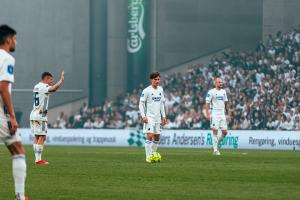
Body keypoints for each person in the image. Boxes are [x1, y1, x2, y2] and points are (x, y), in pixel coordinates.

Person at [0, 24, 28, 200]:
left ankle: (20, 195)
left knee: (17, 148)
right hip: (1, 115)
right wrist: (11, 115)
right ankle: (19, 196)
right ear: (8, 39)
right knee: (18, 151)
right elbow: (3, 87)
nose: (16, 42)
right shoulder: (7, 58)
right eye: (15, 38)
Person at [30, 71, 64, 164]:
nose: (51, 81)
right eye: (51, 79)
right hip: (41, 115)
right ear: (46, 78)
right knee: (42, 136)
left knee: (37, 136)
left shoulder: (36, 86)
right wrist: (61, 81)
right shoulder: (43, 86)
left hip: (33, 113)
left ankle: (37, 159)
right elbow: (53, 89)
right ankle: (39, 159)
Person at [139, 72, 167, 163]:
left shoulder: (161, 90)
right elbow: (141, 104)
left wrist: (164, 116)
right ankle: (148, 157)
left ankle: (153, 154)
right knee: (150, 136)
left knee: (157, 137)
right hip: (149, 117)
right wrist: (143, 116)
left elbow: (162, 104)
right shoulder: (146, 90)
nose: (157, 81)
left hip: (158, 118)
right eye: (155, 79)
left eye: (158, 79)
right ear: (151, 80)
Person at [205, 78, 231, 155]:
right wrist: (207, 113)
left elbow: (226, 104)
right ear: (215, 83)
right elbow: (207, 103)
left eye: (221, 82)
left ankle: (215, 146)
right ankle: (215, 150)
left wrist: (229, 114)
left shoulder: (224, 92)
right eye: (219, 82)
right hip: (215, 114)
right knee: (215, 131)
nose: (221, 83)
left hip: (222, 113)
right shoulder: (211, 92)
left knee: (225, 132)